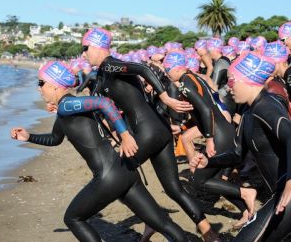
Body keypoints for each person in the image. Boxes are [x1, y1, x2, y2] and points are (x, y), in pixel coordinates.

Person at [11, 61, 187, 242]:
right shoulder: (67, 108)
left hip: (107, 176)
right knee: (162, 223)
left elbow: (104, 103)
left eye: (41, 83)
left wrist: (125, 135)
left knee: (73, 218)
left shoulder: (66, 106)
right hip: (124, 171)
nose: (39, 89)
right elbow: (55, 139)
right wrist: (29, 137)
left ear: (55, 85)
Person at [81, 27, 220, 241]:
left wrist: (164, 97)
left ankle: (152, 221)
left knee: (117, 180)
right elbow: (91, 93)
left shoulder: (111, 63)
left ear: (98, 46)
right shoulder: (102, 73)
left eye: (86, 48)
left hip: (146, 132)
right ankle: (207, 231)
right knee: (173, 188)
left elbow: (142, 69)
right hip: (159, 130)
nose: (83, 53)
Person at [190, 52, 291, 241]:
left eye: (231, 80)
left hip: (287, 193)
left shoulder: (267, 106)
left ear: (247, 80)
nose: (228, 87)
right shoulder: (248, 113)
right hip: (279, 193)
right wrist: (209, 161)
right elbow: (238, 154)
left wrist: (290, 183)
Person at [163, 51, 256, 228]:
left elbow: (206, 110)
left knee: (199, 180)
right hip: (222, 130)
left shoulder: (184, 82)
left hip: (218, 133)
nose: (167, 73)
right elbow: (203, 110)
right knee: (215, 179)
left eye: (168, 69)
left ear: (177, 68)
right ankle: (246, 210)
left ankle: (246, 192)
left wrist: (210, 139)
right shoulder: (193, 78)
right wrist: (183, 127)